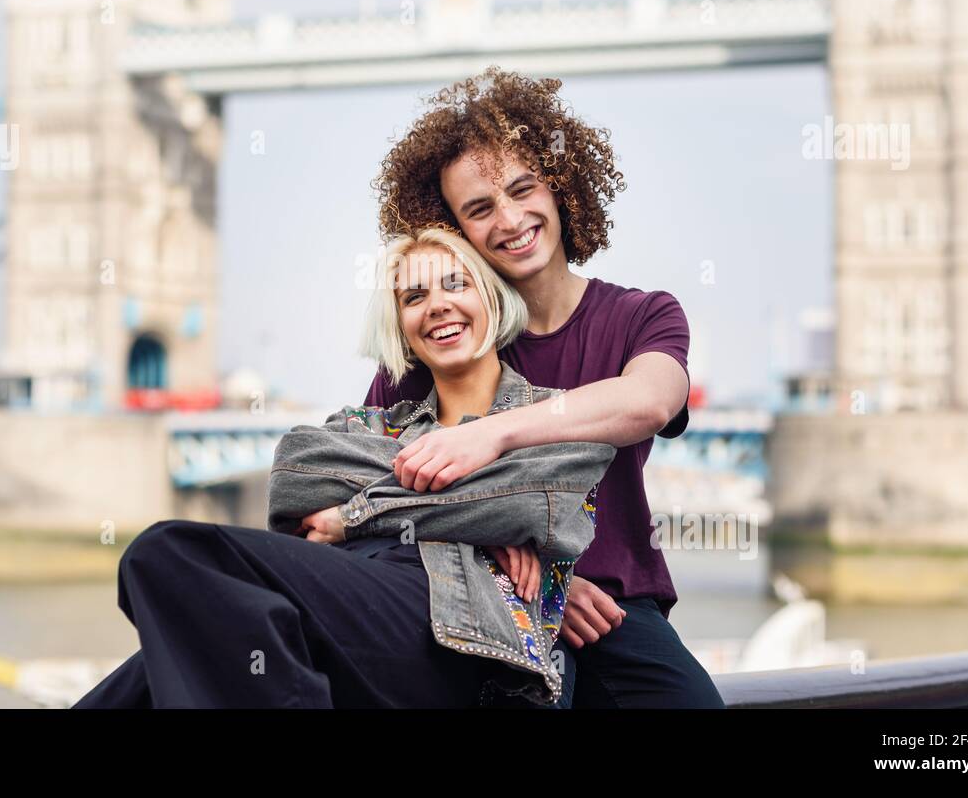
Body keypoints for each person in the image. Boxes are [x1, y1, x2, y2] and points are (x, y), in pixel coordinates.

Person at [73, 227, 614, 708]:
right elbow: (294, 474)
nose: (438, 305)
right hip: (350, 606)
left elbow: (538, 504)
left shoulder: (549, 415)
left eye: (457, 284)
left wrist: (349, 517)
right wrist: (473, 514)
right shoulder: (369, 422)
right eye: (415, 296)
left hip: (463, 634)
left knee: (166, 552)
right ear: (402, 328)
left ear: (493, 301)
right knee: (167, 653)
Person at [364, 67, 725, 708]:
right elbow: (372, 492)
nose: (509, 219)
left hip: (613, 611)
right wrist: (548, 578)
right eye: (478, 208)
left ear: (560, 189)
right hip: (476, 600)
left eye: (522, 189)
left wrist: (492, 434)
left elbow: (649, 401)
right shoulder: (439, 336)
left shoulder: (643, 315)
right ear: (454, 229)